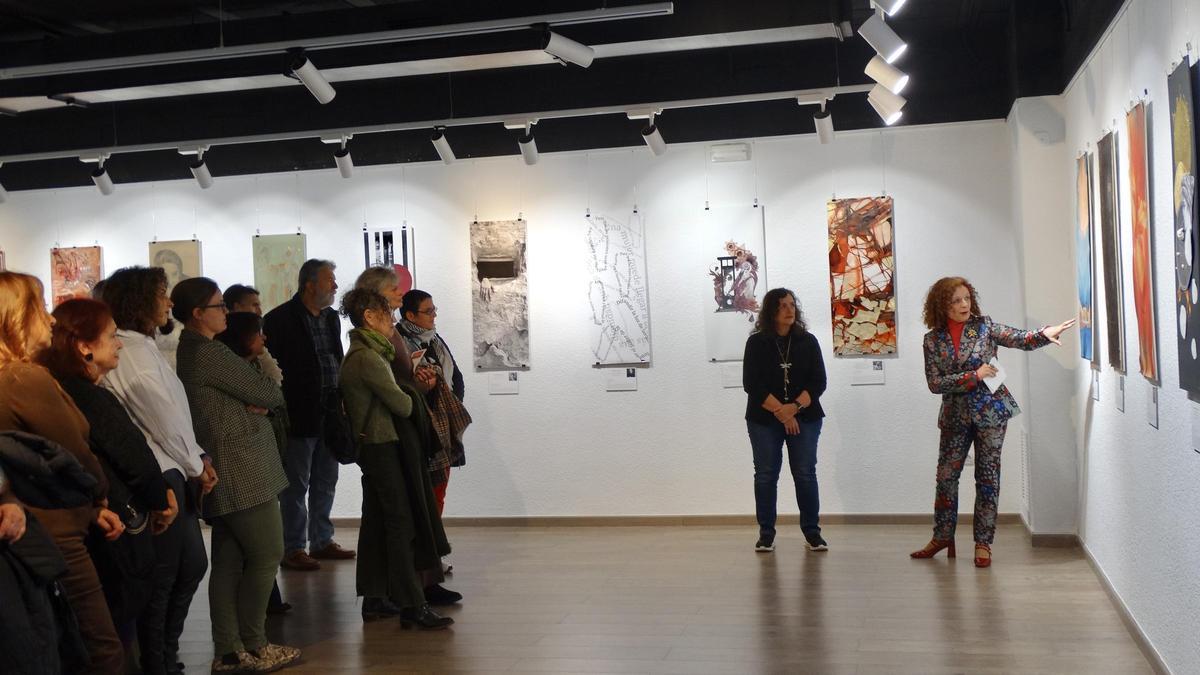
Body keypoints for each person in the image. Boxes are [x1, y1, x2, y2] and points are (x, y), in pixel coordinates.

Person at [0, 271, 126, 674]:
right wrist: (99, 495)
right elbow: (71, 452)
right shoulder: (23, 378)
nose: (51, 321)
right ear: (15, 319)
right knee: (99, 646)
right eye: (39, 308)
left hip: (40, 521)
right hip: (53, 532)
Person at [172, 278, 301, 673]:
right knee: (265, 555)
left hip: (229, 461)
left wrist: (249, 397)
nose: (226, 312)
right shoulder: (208, 353)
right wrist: (253, 396)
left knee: (229, 562)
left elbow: (257, 396)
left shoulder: (195, 350)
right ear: (198, 314)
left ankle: (229, 651)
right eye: (218, 306)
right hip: (242, 465)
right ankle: (255, 645)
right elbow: (272, 394)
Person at [38, 298, 178, 656]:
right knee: (113, 629)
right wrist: (160, 499)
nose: (118, 343)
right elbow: (132, 455)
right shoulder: (88, 397)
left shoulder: (57, 389)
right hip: (112, 523)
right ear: (85, 347)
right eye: (111, 336)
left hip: (88, 522)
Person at [911, 277, 1075, 567]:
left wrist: (1044, 333)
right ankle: (942, 536)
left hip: (992, 413)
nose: (964, 305)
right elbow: (935, 383)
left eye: (966, 298)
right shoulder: (932, 340)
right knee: (945, 478)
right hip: (954, 417)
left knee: (987, 479)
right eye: (955, 301)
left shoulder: (985, 326)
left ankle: (983, 543)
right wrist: (973, 376)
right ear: (941, 306)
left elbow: (1019, 338)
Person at [101, 266, 216, 675]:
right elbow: (160, 416)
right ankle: (159, 661)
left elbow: (172, 415)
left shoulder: (140, 347)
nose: (168, 302)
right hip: (162, 468)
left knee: (188, 567)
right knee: (167, 574)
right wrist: (194, 462)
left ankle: (166, 654)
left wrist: (196, 458)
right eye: (162, 293)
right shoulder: (130, 352)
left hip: (174, 465)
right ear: (139, 301)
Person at [338, 288, 454, 629]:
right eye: (387, 312)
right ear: (369, 317)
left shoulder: (372, 353)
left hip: (381, 445)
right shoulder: (367, 358)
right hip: (381, 447)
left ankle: (380, 597)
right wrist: (413, 388)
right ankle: (412, 604)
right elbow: (402, 405)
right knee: (401, 523)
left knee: (380, 523)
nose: (392, 319)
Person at [263, 259, 356, 570]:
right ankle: (293, 547)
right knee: (295, 483)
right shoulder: (278, 320)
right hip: (298, 413)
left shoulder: (331, 318)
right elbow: (272, 369)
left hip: (329, 411)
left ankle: (321, 540)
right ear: (309, 284)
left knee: (326, 479)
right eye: (329, 280)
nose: (334, 286)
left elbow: (333, 356)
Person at [741, 288, 828, 554]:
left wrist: (794, 408)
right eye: (782, 306)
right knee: (766, 475)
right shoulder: (756, 343)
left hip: (805, 417)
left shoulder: (808, 341)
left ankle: (812, 533)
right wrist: (782, 411)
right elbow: (751, 384)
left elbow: (818, 382)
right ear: (771, 312)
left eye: (792, 305)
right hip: (764, 418)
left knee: (805, 474)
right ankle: (766, 534)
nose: (790, 310)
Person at [223, 284, 288, 612]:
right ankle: (252, 629)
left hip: (259, 452)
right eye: (252, 305)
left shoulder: (249, 357)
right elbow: (273, 391)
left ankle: (259, 614)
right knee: (259, 549)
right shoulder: (224, 359)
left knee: (247, 551)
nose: (258, 310)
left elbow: (274, 390)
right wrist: (266, 397)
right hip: (241, 463)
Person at [396, 289, 470, 517]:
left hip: (444, 423)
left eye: (434, 310)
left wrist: (452, 404)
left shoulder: (435, 338)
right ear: (410, 315)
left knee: (439, 487)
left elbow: (456, 376)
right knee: (421, 488)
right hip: (420, 425)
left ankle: (434, 540)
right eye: (428, 311)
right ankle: (425, 543)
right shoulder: (399, 342)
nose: (434, 316)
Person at [223, 284, 283, 386]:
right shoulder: (221, 345)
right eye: (255, 305)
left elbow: (275, 377)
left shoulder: (257, 343)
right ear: (237, 307)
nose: (260, 312)